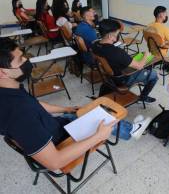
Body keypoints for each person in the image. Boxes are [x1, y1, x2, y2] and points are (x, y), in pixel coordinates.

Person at [0, 37, 116, 171]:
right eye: (20, 60)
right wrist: (98, 136)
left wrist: (66, 109)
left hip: (55, 126)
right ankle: (131, 130)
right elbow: (55, 162)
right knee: (110, 118)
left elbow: (34, 104)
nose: (26, 60)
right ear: (2, 72)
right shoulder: (18, 113)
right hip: (61, 142)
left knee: (90, 111)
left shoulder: (10, 88)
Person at [92, 19, 158, 103]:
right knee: (154, 74)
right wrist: (146, 55)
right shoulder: (117, 52)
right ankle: (143, 98)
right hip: (122, 79)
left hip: (108, 77)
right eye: (117, 33)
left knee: (134, 61)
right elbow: (140, 66)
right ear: (109, 36)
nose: (118, 35)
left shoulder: (95, 44)